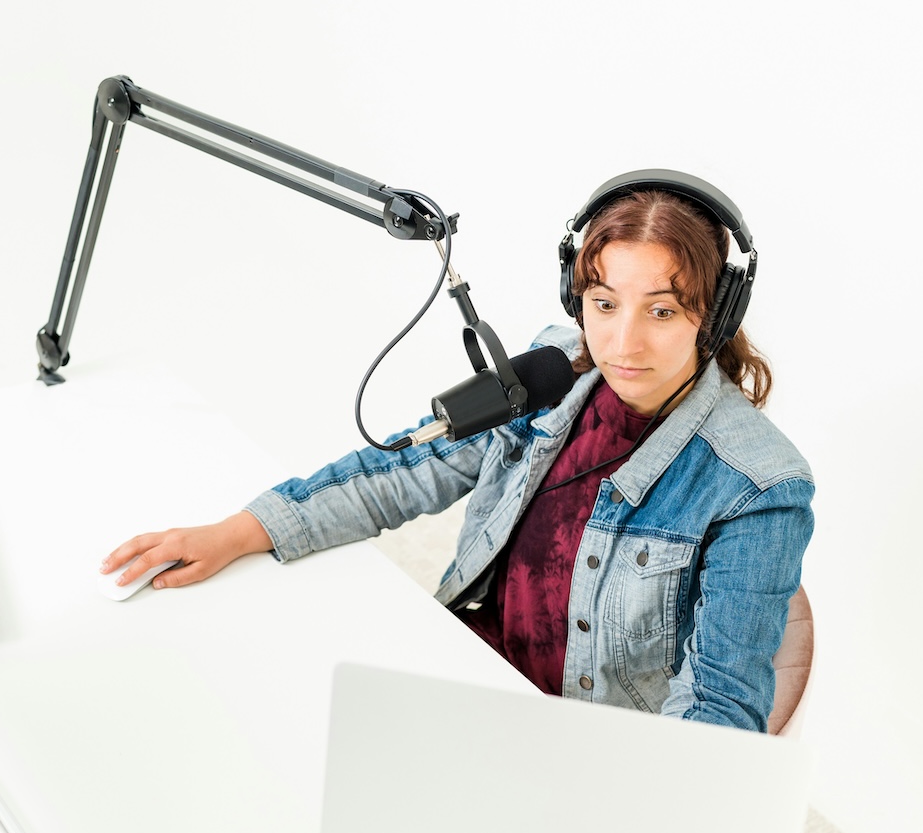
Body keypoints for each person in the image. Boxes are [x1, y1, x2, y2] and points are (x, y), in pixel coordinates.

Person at [102, 173, 814, 732]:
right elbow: (406, 470)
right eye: (604, 303)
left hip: (585, 746)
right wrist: (241, 531)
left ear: (715, 314)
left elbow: (718, 711)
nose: (621, 343)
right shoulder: (553, 372)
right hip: (472, 670)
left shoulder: (759, 484)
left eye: (661, 310)